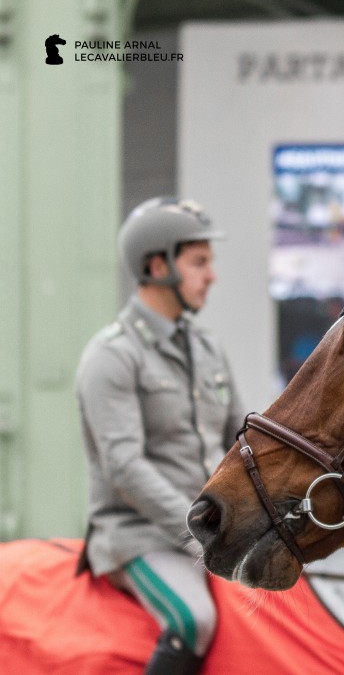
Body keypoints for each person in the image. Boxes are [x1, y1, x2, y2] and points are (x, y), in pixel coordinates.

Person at [75, 197, 246, 674]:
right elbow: (124, 468)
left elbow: (241, 438)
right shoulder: (111, 356)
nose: (211, 275)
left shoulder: (208, 347)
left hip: (210, 529)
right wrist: (199, 532)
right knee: (196, 620)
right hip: (138, 536)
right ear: (157, 265)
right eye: (199, 262)